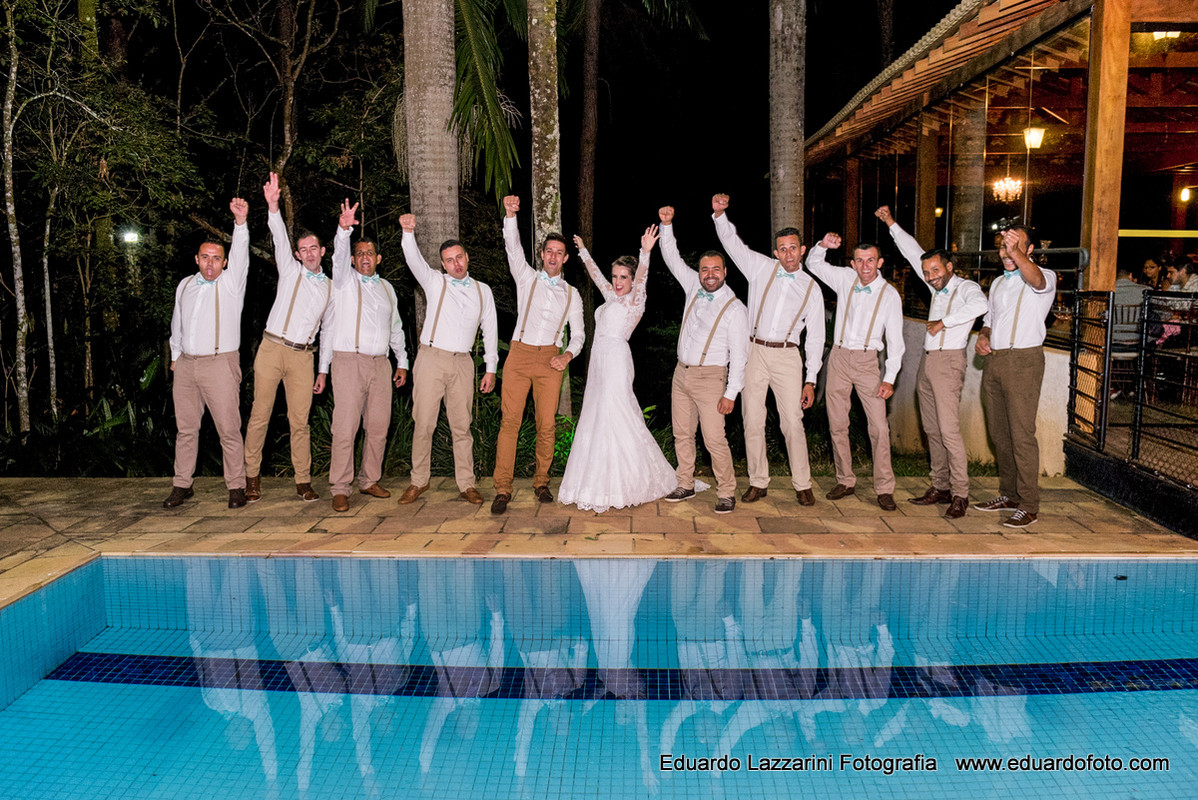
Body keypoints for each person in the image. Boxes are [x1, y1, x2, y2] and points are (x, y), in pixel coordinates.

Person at [712, 193, 826, 507]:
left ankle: (803, 483)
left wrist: (811, 379)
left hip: (789, 357)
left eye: (794, 247)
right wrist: (720, 215)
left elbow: (816, 337)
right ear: (776, 252)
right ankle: (759, 481)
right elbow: (734, 246)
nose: (789, 253)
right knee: (752, 419)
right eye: (783, 248)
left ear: (802, 250)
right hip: (754, 351)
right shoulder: (761, 268)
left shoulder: (812, 289)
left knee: (792, 421)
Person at [557, 227, 678, 512]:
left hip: (616, 361)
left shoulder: (636, 301)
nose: (618, 281)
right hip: (599, 362)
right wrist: (583, 250)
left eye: (624, 277)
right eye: (616, 277)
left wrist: (645, 252)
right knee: (597, 416)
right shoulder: (612, 297)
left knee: (617, 414)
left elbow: (642, 277)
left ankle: (625, 483)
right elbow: (596, 275)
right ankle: (595, 482)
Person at [877, 206, 987, 519]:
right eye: (927, 273)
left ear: (950, 267)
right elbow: (913, 253)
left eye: (935, 270)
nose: (930, 277)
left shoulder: (966, 288)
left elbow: (981, 305)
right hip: (929, 363)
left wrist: (944, 322)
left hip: (950, 362)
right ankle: (941, 486)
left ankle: (961, 494)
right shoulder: (934, 286)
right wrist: (891, 224)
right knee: (931, 428)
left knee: (949, 430)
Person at [490, 196, 585, 515]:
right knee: (510, 422)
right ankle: (503, 487)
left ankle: (541, 481)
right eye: (549, 251)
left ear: (566, 257)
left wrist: (567, 355)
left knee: (546, 425)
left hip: (550, 361)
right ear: (542, 255)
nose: (554, 256)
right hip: (518, 356)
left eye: (559, 252)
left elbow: (581, 333)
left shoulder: (572, 295)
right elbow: (512, 248)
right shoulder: (527, 278)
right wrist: (510, 216)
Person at [242, 173, 333, 504]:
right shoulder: (291, 270)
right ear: (296, 255)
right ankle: (251, 478)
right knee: (260, 415)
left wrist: (323, 370)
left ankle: (303, 481)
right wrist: (273, 206)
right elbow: (279, 236)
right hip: (271, 348)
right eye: (303, 249)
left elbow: (329, 330)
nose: (308, 253)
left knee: (300, 421)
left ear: (322, 251)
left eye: (313, 248)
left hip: (303, 357)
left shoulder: (330, 288)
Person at [397, 213, 499, 506]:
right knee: (423, 423)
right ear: (442, 264)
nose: (456, 263)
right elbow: (414, 260)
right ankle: (418, 482)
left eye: (459, 257)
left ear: (467, 258)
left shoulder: (483, 291)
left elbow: (490, 331)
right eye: (449, 260)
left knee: (461, 426)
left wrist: (490, 368)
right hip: (431, 359)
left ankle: (466, 484)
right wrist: (407, 233)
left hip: (463, 363)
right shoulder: (434, 282)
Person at [658, 205, 749, 514]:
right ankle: (685, 483)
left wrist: (730, 393)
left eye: (715, 270)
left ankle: (727, 491)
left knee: (713, 439)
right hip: (681, 374)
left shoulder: (736, 308)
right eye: (705, 270)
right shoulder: (693, 287)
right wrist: (667, 225)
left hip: (711, 379)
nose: (709, 275)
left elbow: (740, 355)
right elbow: (671, 257)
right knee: (682, 433)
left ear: (725, 272)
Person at [319, 200, 409, 513]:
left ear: (378, 258)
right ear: (354, 261)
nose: (365, 258)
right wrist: (344, 231)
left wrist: (402, 362)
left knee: (379, 425)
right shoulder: (343, 282)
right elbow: (339, 255)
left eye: (370, 253)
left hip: (380, 364)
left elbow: (395, 326)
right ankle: (340, 487)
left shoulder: (387, 289)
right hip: (348, 361)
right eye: (360, 254)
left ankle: (369, 479)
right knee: (345, 427)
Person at [806, 233, 906, 510]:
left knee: (879, 427)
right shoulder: (845, 279)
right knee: (837, 424)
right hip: (838, 357)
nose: (865, 266)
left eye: (870, 260)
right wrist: (822, 245)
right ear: (852, 263)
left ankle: (885, 488)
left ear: (880, 263)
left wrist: (889, 378)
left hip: (867, 362)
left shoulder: (889, 295)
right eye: (860, 261)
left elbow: (896, 342)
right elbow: (814, 264)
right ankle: (845, 480)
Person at [164, 197, 251, 510]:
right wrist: (176, 356)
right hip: (187, 365)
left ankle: (236, 487)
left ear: (224, 262)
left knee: (228, 428)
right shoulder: (185, 285)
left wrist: (240, 224)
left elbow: (241, 256)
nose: (211, 263)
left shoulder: (231, 285)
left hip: (220, 364)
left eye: (217, 258)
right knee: (186, 429)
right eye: (205, 257)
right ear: (197, 259)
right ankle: (182, 485)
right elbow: (178, 323)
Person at [973, 225, 1056, 528]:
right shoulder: (996, 284)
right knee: (1000, 434)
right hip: (995, 361)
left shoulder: (1044, 277)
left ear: (1029, 250)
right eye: (1003, 246)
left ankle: (1029, 505)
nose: (1006, 252)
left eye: (1015, 245)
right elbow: (990, 321)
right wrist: (983, 337)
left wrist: (1016, 252)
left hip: (1024, 361)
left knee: (1021, 435)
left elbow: (1033, 278)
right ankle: (1009, 495)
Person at [1112, 265, 1147, 353]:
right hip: (1140, 345)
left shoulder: (1107, 292)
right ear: (1130, 276)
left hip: (1112, 344)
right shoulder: (1146, 291)